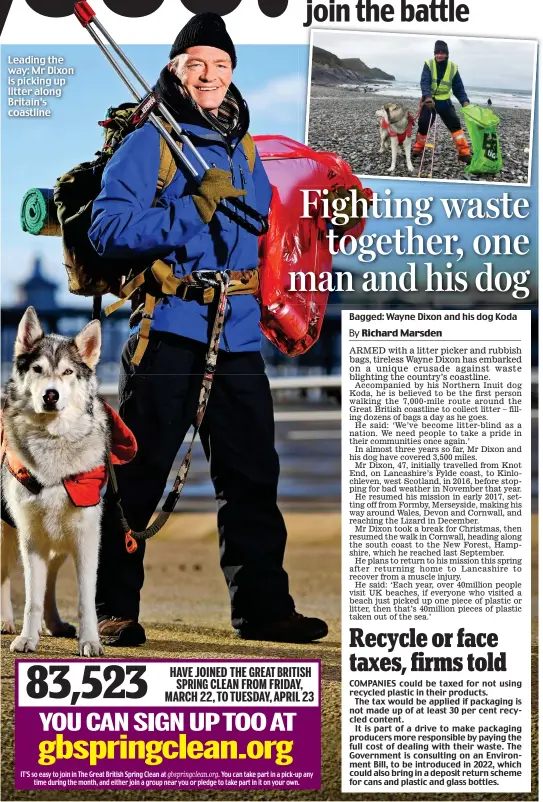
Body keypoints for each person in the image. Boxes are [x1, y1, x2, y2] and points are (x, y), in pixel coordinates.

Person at [88, 13, 354, 647]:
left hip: (236, 339)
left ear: (233, 73)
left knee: (252, 477)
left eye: (221, 65)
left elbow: (270, 229)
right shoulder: (147, 142)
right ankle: (111, 607)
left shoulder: (244, 144)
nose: (209, 76)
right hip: (171, 330)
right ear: (177, 68)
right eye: (196, 64)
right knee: (139, 471)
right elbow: (107, 231)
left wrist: (331, 221)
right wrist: (192, 205)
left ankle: (264, 609)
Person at [413, 40, 472, 164]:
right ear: (434, 53)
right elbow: (425, 82)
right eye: (437, 53)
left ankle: (464, 153)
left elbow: (458, 87)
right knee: (423, 123)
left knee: (455, 124)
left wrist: (464, 102)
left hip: (444, 101)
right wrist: (427, 97)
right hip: (430, 102)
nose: (439, 55)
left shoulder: (453, 68)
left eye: (442, 53)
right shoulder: (428, 64)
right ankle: (418, 148)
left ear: (447, 54)